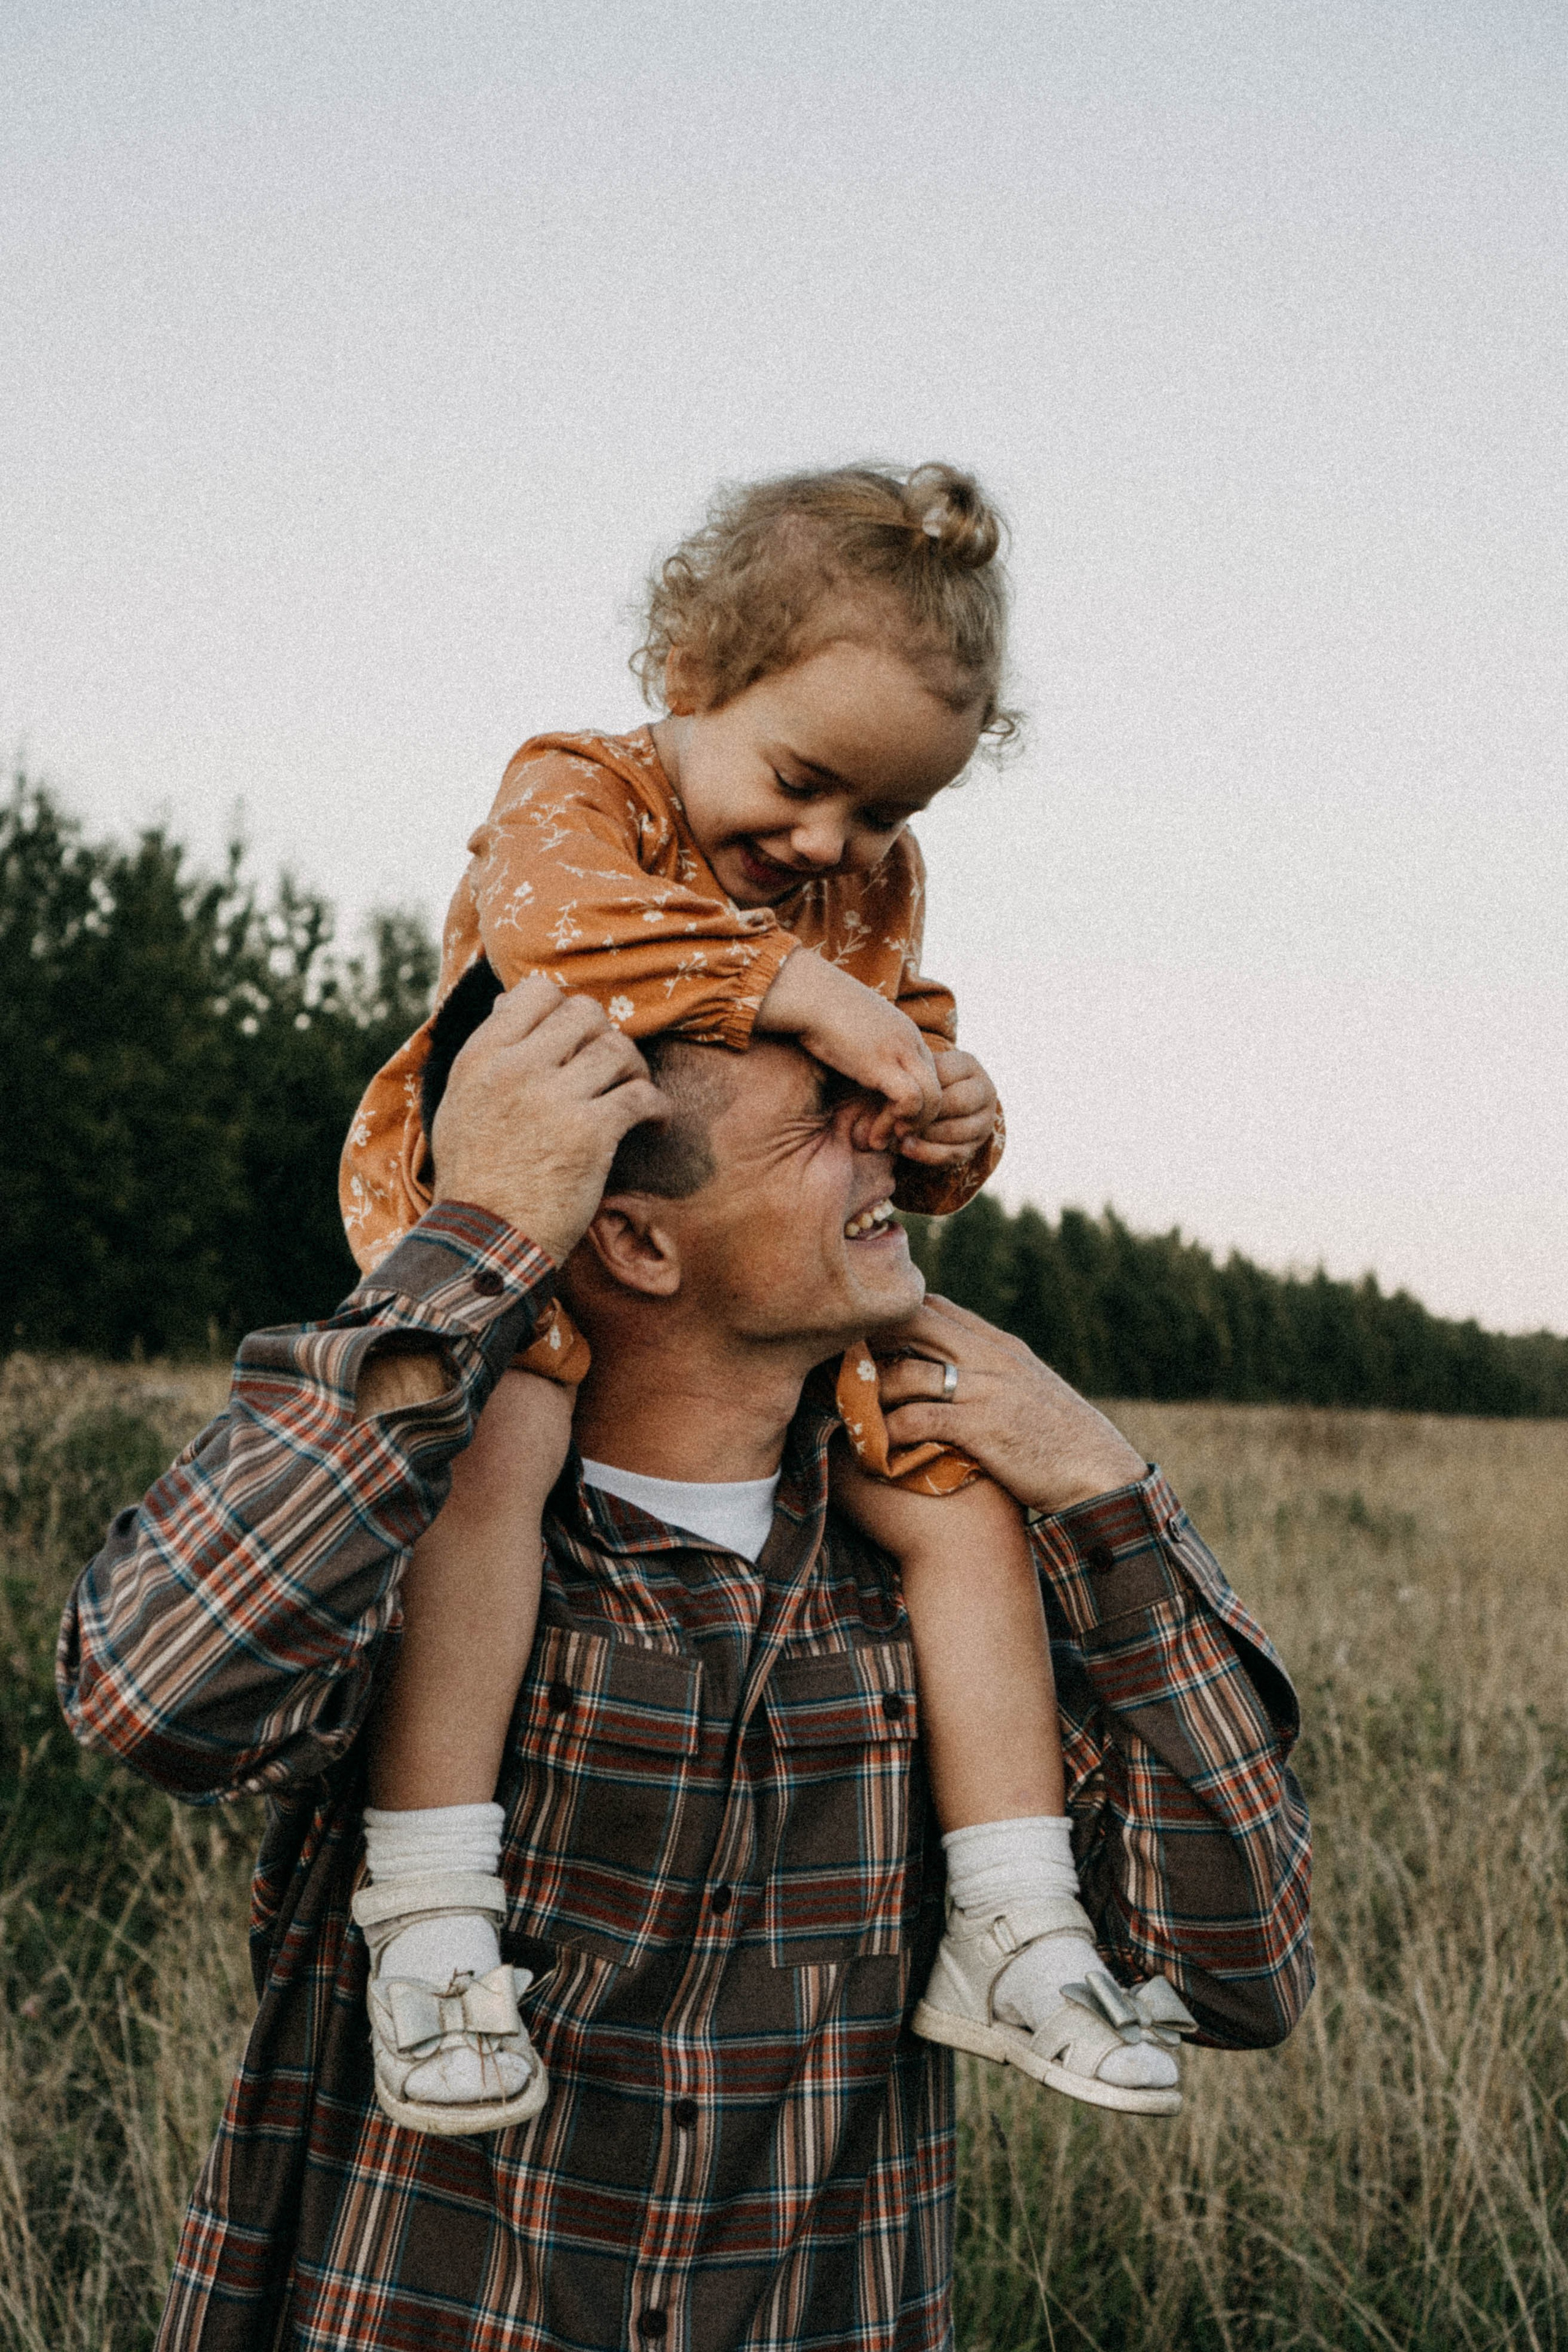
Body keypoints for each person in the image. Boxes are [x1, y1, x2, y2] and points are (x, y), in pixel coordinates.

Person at [59, 977, 1313, 2352]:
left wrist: (1100, 1488)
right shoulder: (435, 1545)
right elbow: (156, 1698)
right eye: (819, 1123)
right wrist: (475, 1238)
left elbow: (1236, 1969)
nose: (887, 1133)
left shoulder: (945, 1589)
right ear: (639, 1243)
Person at [337, 462, 1126, 2134]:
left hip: (754, 1256)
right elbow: (558, 939)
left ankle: (1010, 1907)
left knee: (946, 1488)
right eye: (805, 780)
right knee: (502, 1451)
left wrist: (948, 1121)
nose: (831, 845)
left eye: (887, 818)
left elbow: (878, 1083)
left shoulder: (858, 893)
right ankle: (424, 1904)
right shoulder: (580, 784)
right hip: (530, 1212)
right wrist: (795, 987)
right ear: (694, 676)